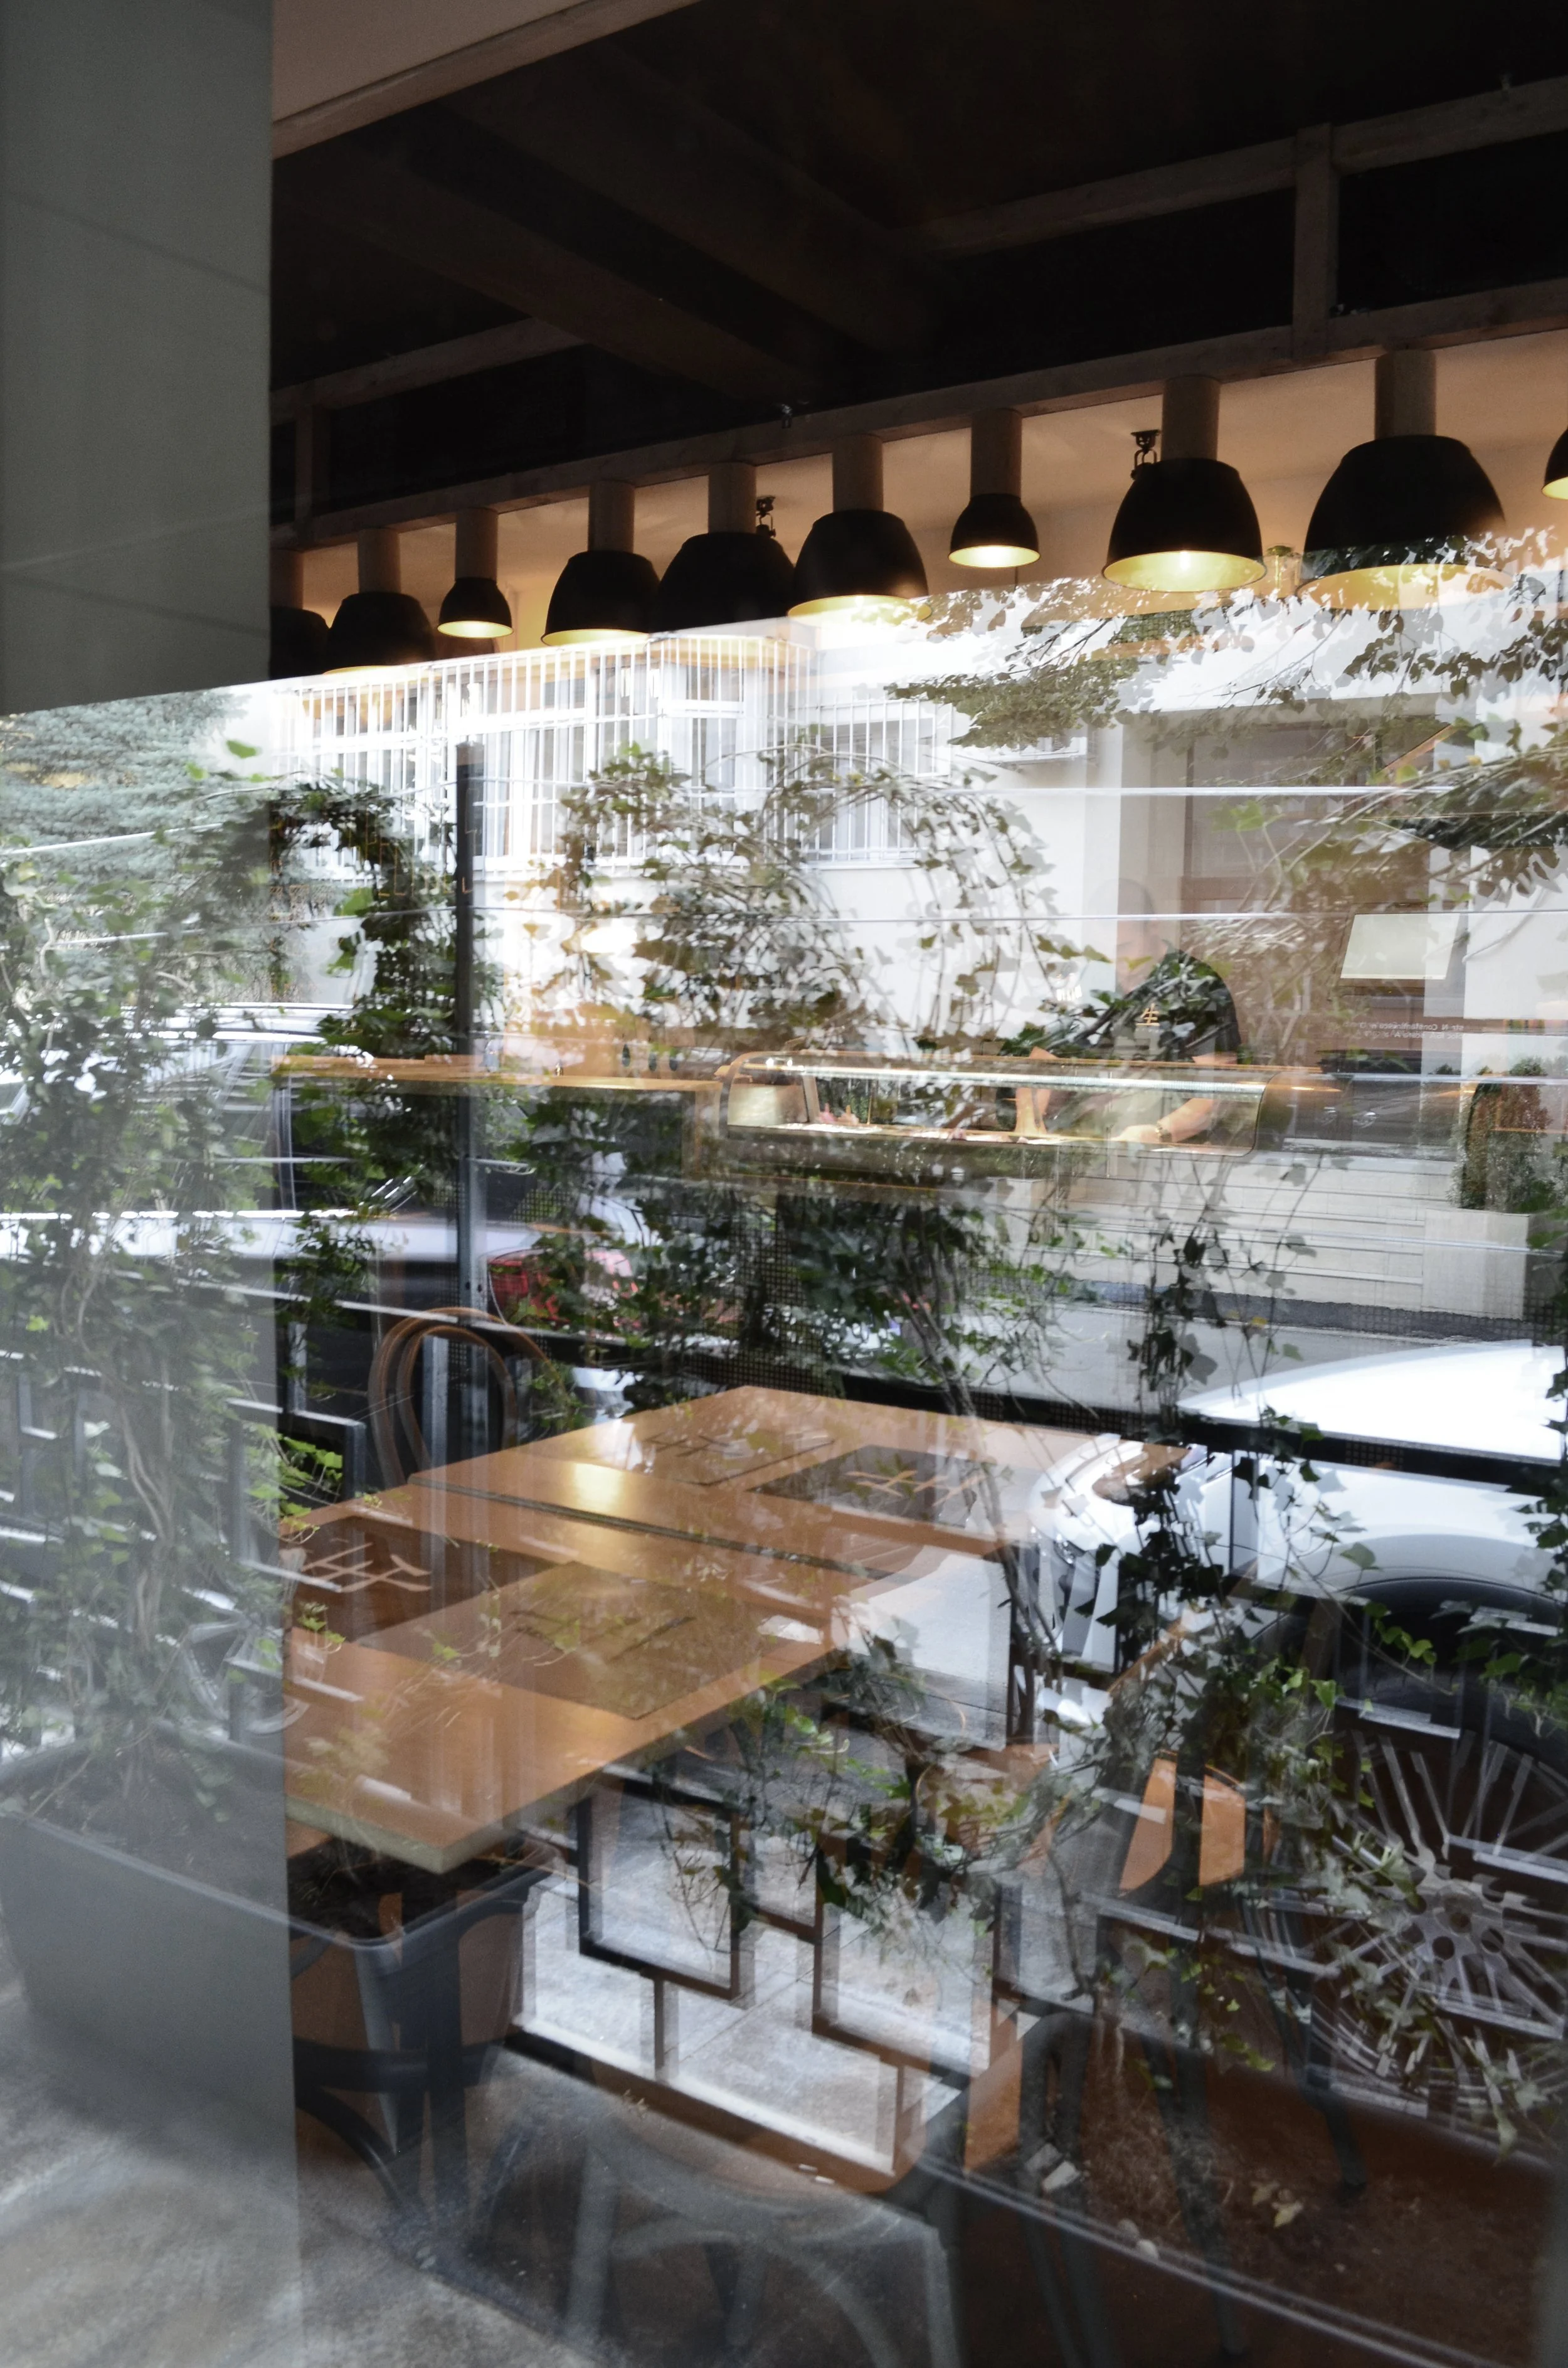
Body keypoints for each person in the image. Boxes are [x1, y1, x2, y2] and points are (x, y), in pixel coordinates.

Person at [1004, 950, 1241, 1147]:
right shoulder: (1090, 977)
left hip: (1164, 1157)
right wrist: (1030, 1122)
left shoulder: (1192, 982)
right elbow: (1044, 1060)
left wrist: (1158, 1134)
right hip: (1084, 1145)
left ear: (1153, 926)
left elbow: (1219, 1089)